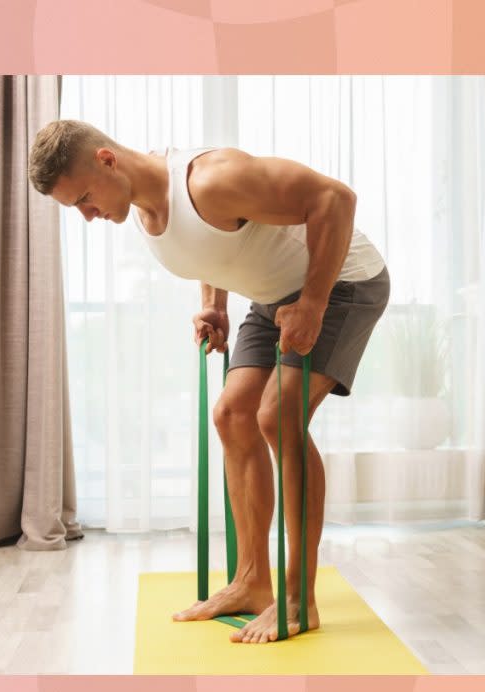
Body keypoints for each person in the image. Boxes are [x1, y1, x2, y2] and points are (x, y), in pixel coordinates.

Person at [28, 120, 390, 643]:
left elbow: (335, 199)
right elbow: (211, 245)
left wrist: (312, 303)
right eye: (76, 208)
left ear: (107, 160)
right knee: (231, 415)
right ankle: (251, 582)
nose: (88, 215)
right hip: (273, 297)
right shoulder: (141, 204)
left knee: (278, 416)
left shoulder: (212, 180)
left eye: (85, 198)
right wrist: (213, 305)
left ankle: (298, 597)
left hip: (341, 283)